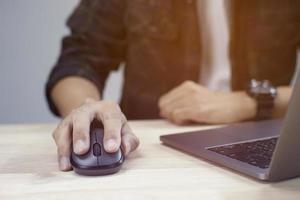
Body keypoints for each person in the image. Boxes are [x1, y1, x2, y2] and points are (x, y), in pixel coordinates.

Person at [46, 0, 300, 171]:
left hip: (260, 140)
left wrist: (251, 102)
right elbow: (79, 58)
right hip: (150, 150)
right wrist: (87, 109)